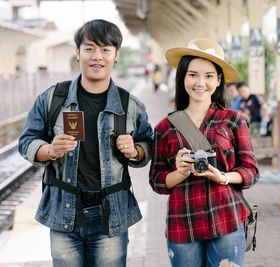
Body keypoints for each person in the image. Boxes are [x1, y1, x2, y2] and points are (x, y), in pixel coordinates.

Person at [18, 19, 153, 266]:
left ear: (116, 55)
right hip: (63, 212)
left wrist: (135, 151)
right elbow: (27, 140)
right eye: (89, 48)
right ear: (77, 52)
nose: (97, 57)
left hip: (110, 215)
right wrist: (48, 150)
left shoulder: (130, 105)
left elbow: (148, 145)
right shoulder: (52, 99)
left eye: (105, 50)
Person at [149, 38, 259, 267]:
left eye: (209, 75)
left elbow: (250, 171)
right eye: (193, 74)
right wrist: (179, 172)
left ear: (219, 80)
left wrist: (224, 177)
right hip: (182, 225)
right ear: (183, 78)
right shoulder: (164, 127)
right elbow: (157, 180)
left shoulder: (234, 120)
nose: (201, 82)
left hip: (227, 220)